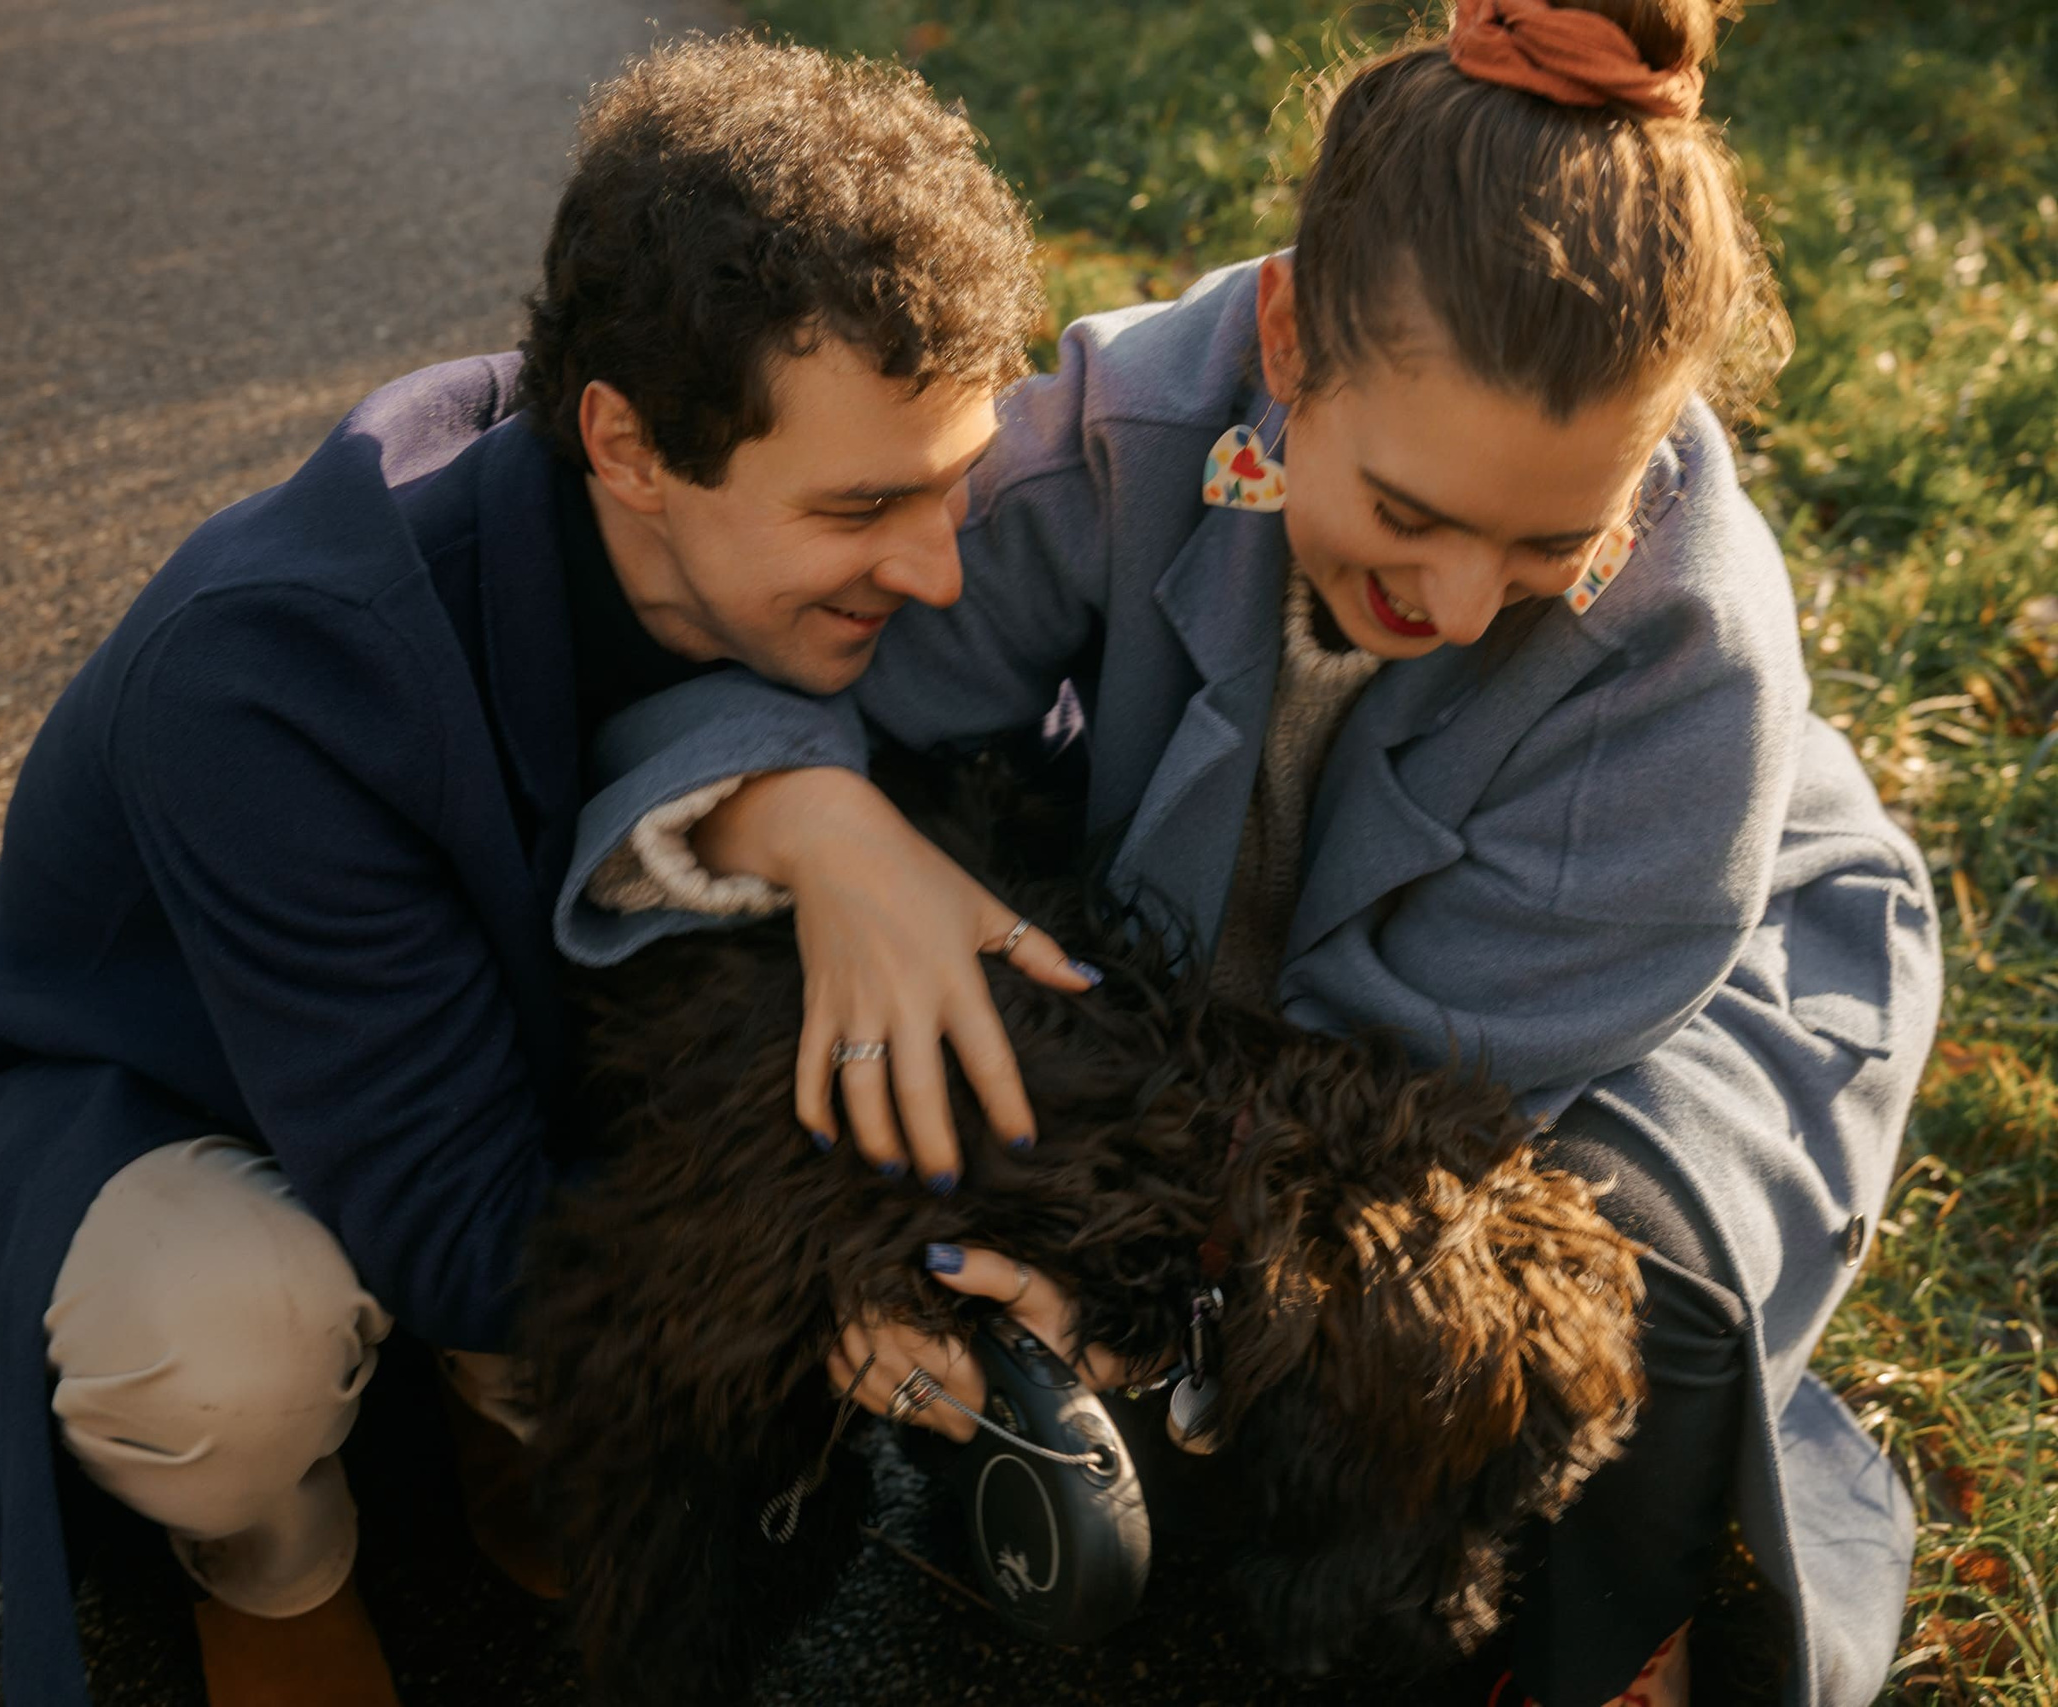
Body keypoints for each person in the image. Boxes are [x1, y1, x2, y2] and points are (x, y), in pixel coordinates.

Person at [558, 3, 1942, 1706]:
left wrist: (1132, 1293)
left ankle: (1655, 1583)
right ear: (1286, 342)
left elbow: (1387, 1125)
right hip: (1236, 1014)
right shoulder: (1136, 422)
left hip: (1668, 1031)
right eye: (1409, 513)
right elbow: (793, 673)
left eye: (1546, 544)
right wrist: (815, 820)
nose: (1446, 604)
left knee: (1539, 1352)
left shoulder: (1687, 662)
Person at [0, 35, 1047, 1707]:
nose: (939, 569)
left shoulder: (778, 532)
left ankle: (505, 1415)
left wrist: (826, 819)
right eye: (864, 507)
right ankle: (267, 1571)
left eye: (955, 485)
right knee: (238, 1349)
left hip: (465, 1064)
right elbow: (449, 1219)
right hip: (148, 1101)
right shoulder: (269, 673)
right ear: (627, 446)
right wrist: (824, 1278)